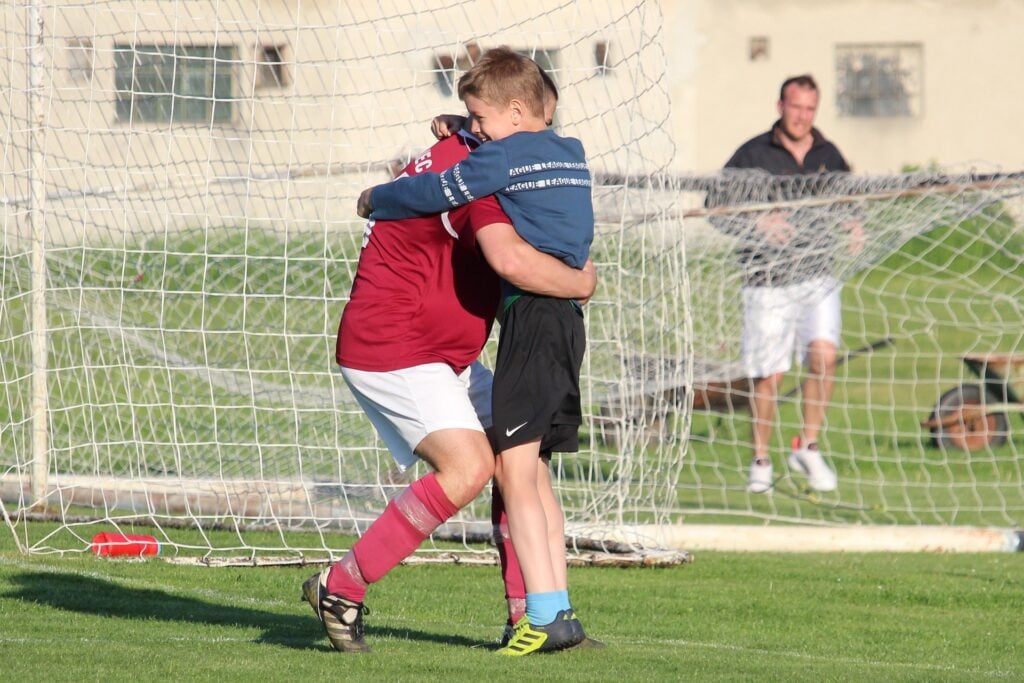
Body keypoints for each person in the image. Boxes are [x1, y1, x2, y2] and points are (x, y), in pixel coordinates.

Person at [302, 117, 596, 654]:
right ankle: (339, 586)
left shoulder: (480, 155)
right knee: (470, 468)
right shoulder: (477, 178)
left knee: (522, 466)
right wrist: (583, 281)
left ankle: (534, 619)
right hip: (394, 348)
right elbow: (513, 260)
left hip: (445, 356)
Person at [714, 74, 863, 494]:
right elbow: (715, 205)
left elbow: (849, 202)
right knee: (769, 374)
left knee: (824, 356)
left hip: (818, 274)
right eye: (795, 107)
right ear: (780, 106)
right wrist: (755, 221)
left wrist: (854, 224)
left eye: (810, 109)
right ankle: (761, 460)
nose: (802, 116)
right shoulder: (752, 153)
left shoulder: (829, 154)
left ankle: (808, 447)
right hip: (766, 280)